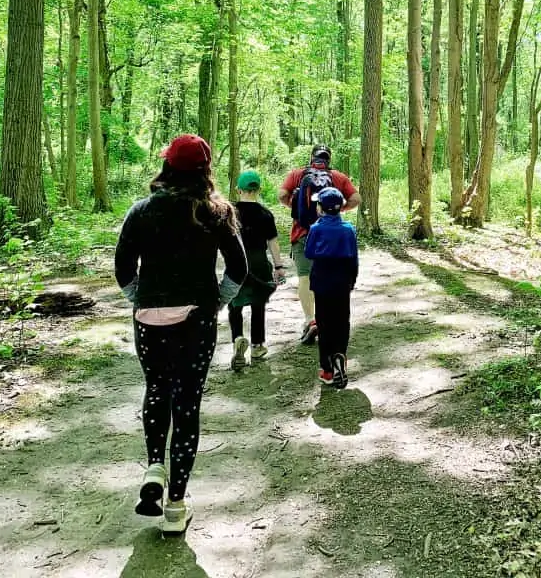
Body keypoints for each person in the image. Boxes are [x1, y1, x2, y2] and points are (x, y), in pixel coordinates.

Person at [114, 133, 248, 535]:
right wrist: (216, 302)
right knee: (187, 402)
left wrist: (143, 301)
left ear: (167, 167)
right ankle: (175, 505)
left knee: (157, 388)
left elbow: (122, 268)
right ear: (205, 171)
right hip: (197, 319)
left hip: (149, 317)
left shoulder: (140, 211)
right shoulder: (217, 212)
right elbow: (238, 269)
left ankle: (155, 464)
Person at [277, 144, 360, 344]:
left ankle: (310, 320)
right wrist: (339, 210)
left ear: (311, 158)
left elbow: (281, 195)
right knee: (328, 277)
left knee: (305, 278)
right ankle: (329, 321)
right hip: (331, 236)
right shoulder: (338, 177)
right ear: (328, 159)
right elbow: (356, 198)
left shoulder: (297, 174)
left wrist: (294, 206)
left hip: (302, 232)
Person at [228, 169, 286, 370]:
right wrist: (278, 266)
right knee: (258, 303)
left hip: (237, 265)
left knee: (234, 304)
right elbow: (273, 243)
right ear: (259, 189)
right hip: (260, 264)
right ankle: (257, 345)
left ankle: (237, 338)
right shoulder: (265, 214)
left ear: (238, 190)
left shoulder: (229, 212)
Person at [304, 187, 359, 389]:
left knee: (324, 323)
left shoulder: (316, 229)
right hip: (343, 282)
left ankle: (327, 370)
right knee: (342, 321)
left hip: (322, 281)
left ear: (321, 208)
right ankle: (340, 356)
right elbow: (354, 259)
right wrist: (352, 280)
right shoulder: (348, 229)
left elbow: (309, 253)